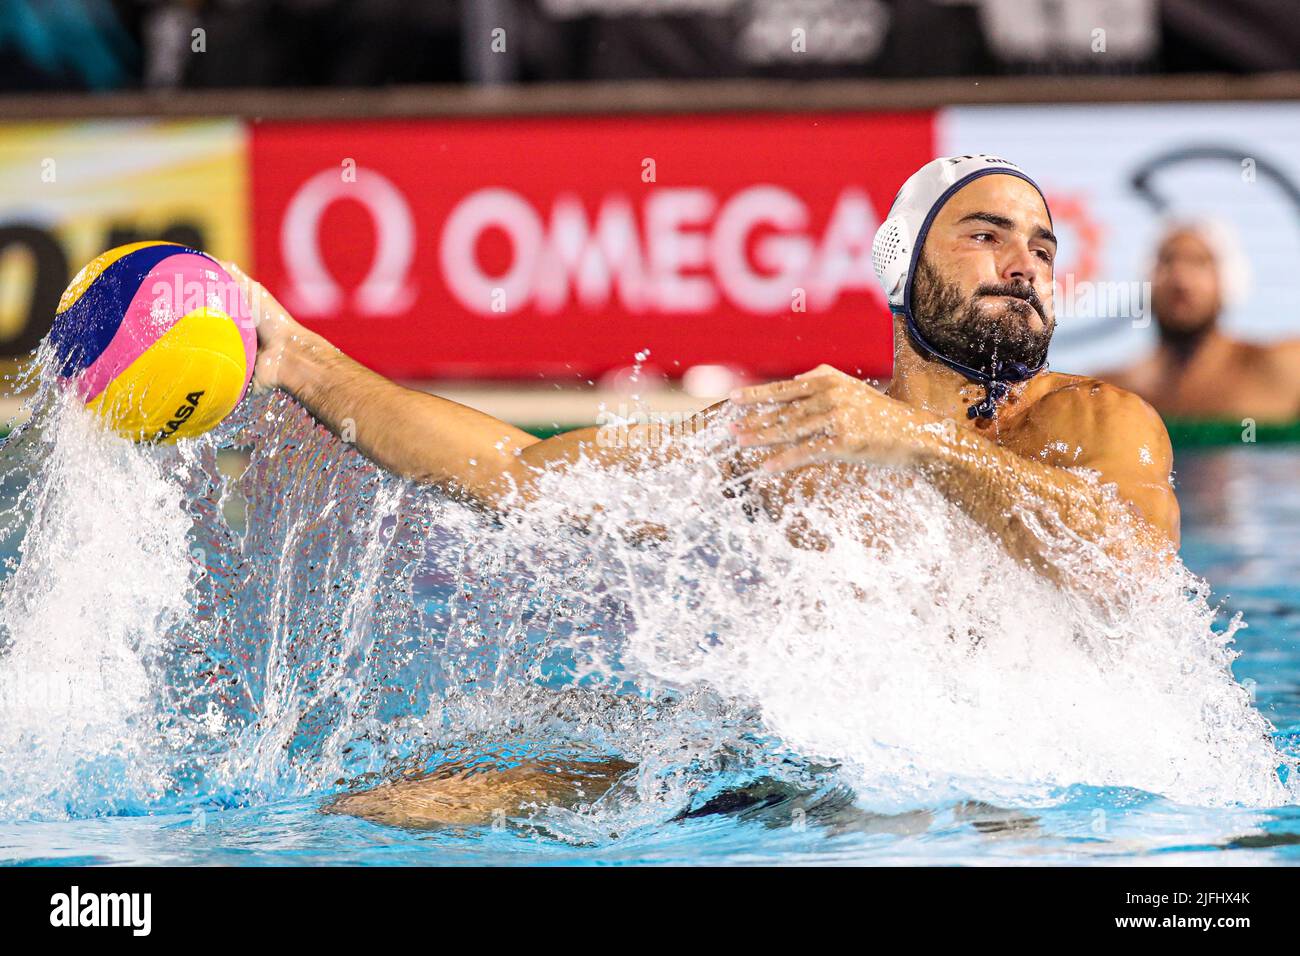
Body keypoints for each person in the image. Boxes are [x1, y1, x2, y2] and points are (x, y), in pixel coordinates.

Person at [231, 155, 1180, 827]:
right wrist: (300, 359)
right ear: (902, 266)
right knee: (398, 807)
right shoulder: (808, 431)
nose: (1027, 265)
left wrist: (917, 444)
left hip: (1045, 802)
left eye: (1045, 250)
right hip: (804, 785)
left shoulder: (1096, 422)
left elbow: (1129, 575)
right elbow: (521, 475)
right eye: (988, 235)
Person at [1101, 220, 1300, 422]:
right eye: (1168, 261)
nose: (1181, 280)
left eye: (1199, 262)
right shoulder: (1111, 393)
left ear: (1228, 282)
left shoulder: (1282, 371)